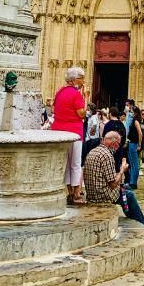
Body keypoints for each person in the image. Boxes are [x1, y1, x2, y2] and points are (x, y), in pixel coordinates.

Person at [84, 132, 144, 236]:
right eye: (118, 144)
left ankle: (135, 221)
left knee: (126, 189)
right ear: (114, 143)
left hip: (92, 192)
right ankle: (142, 226)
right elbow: (113, 184)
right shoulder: (106, 155)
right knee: (129, 195)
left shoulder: (93, 151)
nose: (118, 148)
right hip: (102, 195)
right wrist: (122, 170)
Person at [52, 66, 88, 205]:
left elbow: (55, 109)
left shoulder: (59, 92)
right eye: (81, 78)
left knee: (67, 163)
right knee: (76, 163)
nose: (83, 81)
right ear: (74, 80)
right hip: (74, 132)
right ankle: (77, 194)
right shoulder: (75, 94)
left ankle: (70, 192)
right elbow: (81, 114)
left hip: (59, 131)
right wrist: (86, 97)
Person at [102, 106, 127, 171]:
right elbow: (124, 138)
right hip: (119, 149)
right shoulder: (121, 124)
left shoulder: (108, 125)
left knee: (109, 168)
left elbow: (103, 138)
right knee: (117, 168)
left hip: (108, 150)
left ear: (110, 114)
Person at [127, 106, 144, 189]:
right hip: (132, 143)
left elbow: (140, 133)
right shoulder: (134, 120)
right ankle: (132, 181)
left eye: (131, 111)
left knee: (134, 164)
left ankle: (133, 182)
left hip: (134, 144)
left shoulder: (136, 121)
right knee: (133, 163)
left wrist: (139, 144)